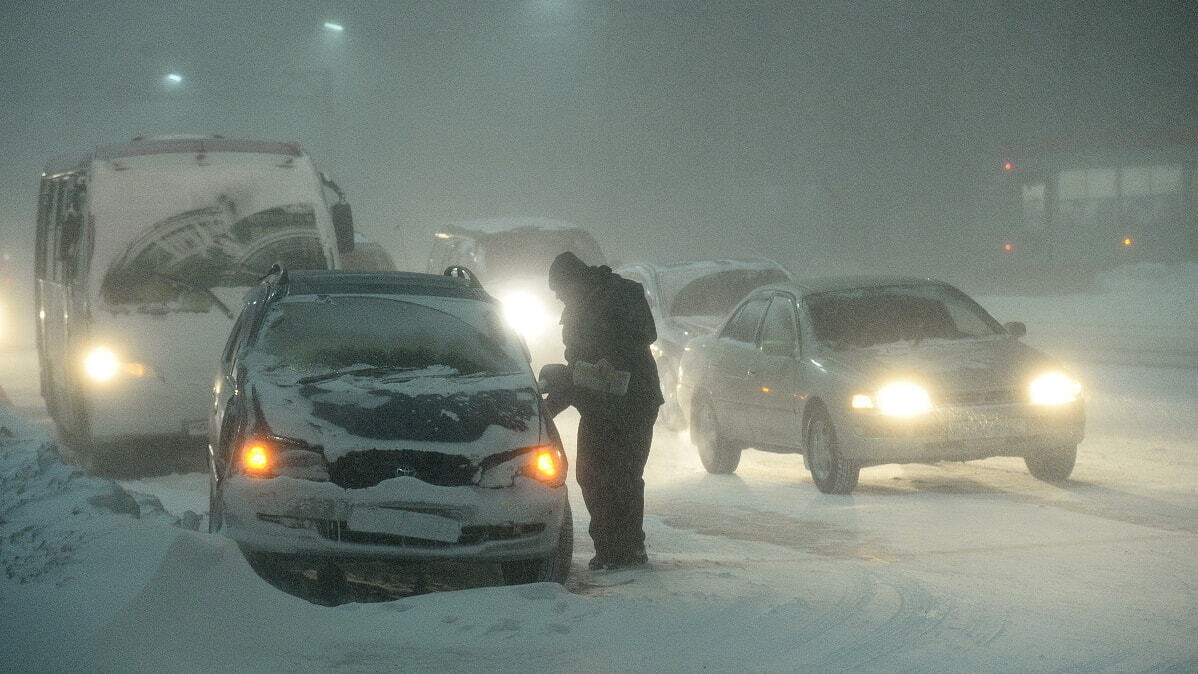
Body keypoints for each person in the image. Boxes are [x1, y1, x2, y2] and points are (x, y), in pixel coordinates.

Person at [544, 251, 664, 570]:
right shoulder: (573, 311)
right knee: (590, 474)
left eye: (559, 290)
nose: (558, 298)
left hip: (634, 401)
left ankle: (628, 549)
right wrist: (547, 408)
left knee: (622, 476)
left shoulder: (620, 294)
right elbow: (577, 368)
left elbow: (644, 335)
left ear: (575, 282)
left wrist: (610, 355)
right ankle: (608, 548)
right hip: (599, 403)